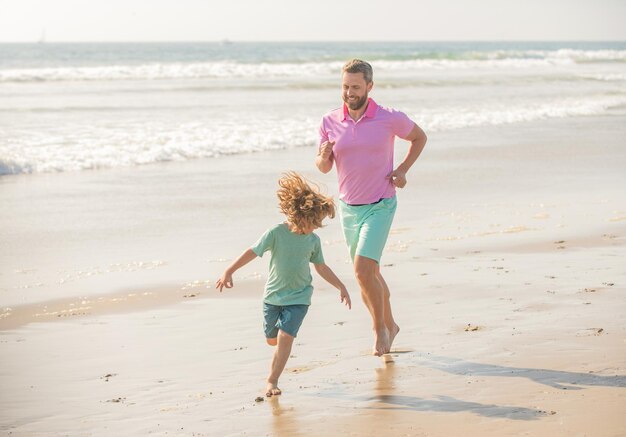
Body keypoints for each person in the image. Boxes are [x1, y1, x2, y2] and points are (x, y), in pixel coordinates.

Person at [315, 59, 427, 357]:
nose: (349, 93)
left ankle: (379, 330)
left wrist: (402, 169)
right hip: (348, 208)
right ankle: (390, 323)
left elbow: (419, 137)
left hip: (380, 203)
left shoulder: (388, 118)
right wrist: (323, 156)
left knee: (363, 271)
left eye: (355, 87)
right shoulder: (329, 121)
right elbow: (324, 167)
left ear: (369, 87)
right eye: (344, 86)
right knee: (370, 272)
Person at [215, 172, 351, 398]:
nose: (316, 228)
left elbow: (321, 267)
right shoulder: (276, 233)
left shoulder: (313, 240)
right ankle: (277, 351)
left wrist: (341, 286)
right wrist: (229, 270)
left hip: (299, 298)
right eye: (314, 223)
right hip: (273, 298)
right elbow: (252, 251)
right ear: (301, 215)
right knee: (272, 340)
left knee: (285, 338)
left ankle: (271, 381)